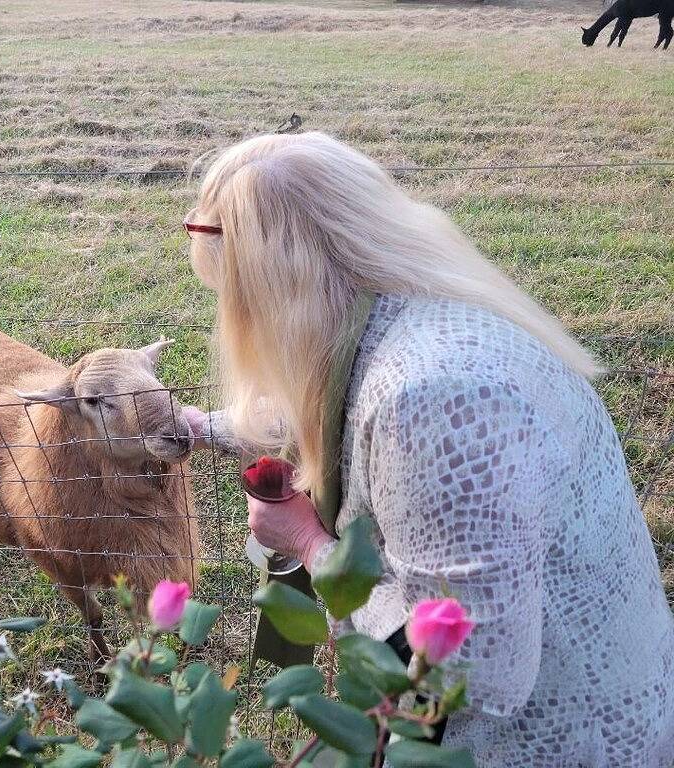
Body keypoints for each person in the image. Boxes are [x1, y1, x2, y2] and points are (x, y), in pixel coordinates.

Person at [182, 132, 674, 767]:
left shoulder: (434, 403)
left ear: (273, 292)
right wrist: (201, 425)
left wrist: (308, 544)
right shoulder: (408, 302)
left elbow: (476, 671)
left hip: (564, 741)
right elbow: (332, 387)